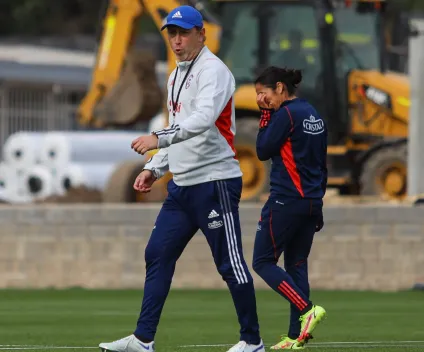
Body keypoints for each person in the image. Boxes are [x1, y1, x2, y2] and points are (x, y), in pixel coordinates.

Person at [98, 5, 264, 352]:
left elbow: (202, 120)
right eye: (171, 33)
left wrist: (157, 140)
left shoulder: (214, 72)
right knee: (157, 253)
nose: (176, 40)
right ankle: (143, 340)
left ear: (201, 34)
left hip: (215, 182)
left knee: (229, 264)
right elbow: (180, 131)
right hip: (182, 186)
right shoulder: (175, 75)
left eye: (183, 32)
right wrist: (153, 168)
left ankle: (252, 341)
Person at [251, 66, 328, 350]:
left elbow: (261, 151)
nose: (261, 99)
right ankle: (296, 337)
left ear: (280, 88)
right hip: (310, 203)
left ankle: (307, 310)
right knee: (296, 266)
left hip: (286, 200)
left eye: (263, 93)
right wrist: (317, 205)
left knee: (262, 262)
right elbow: (322, 163)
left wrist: (266, 115)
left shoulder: (284, 115)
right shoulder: (313, 113)